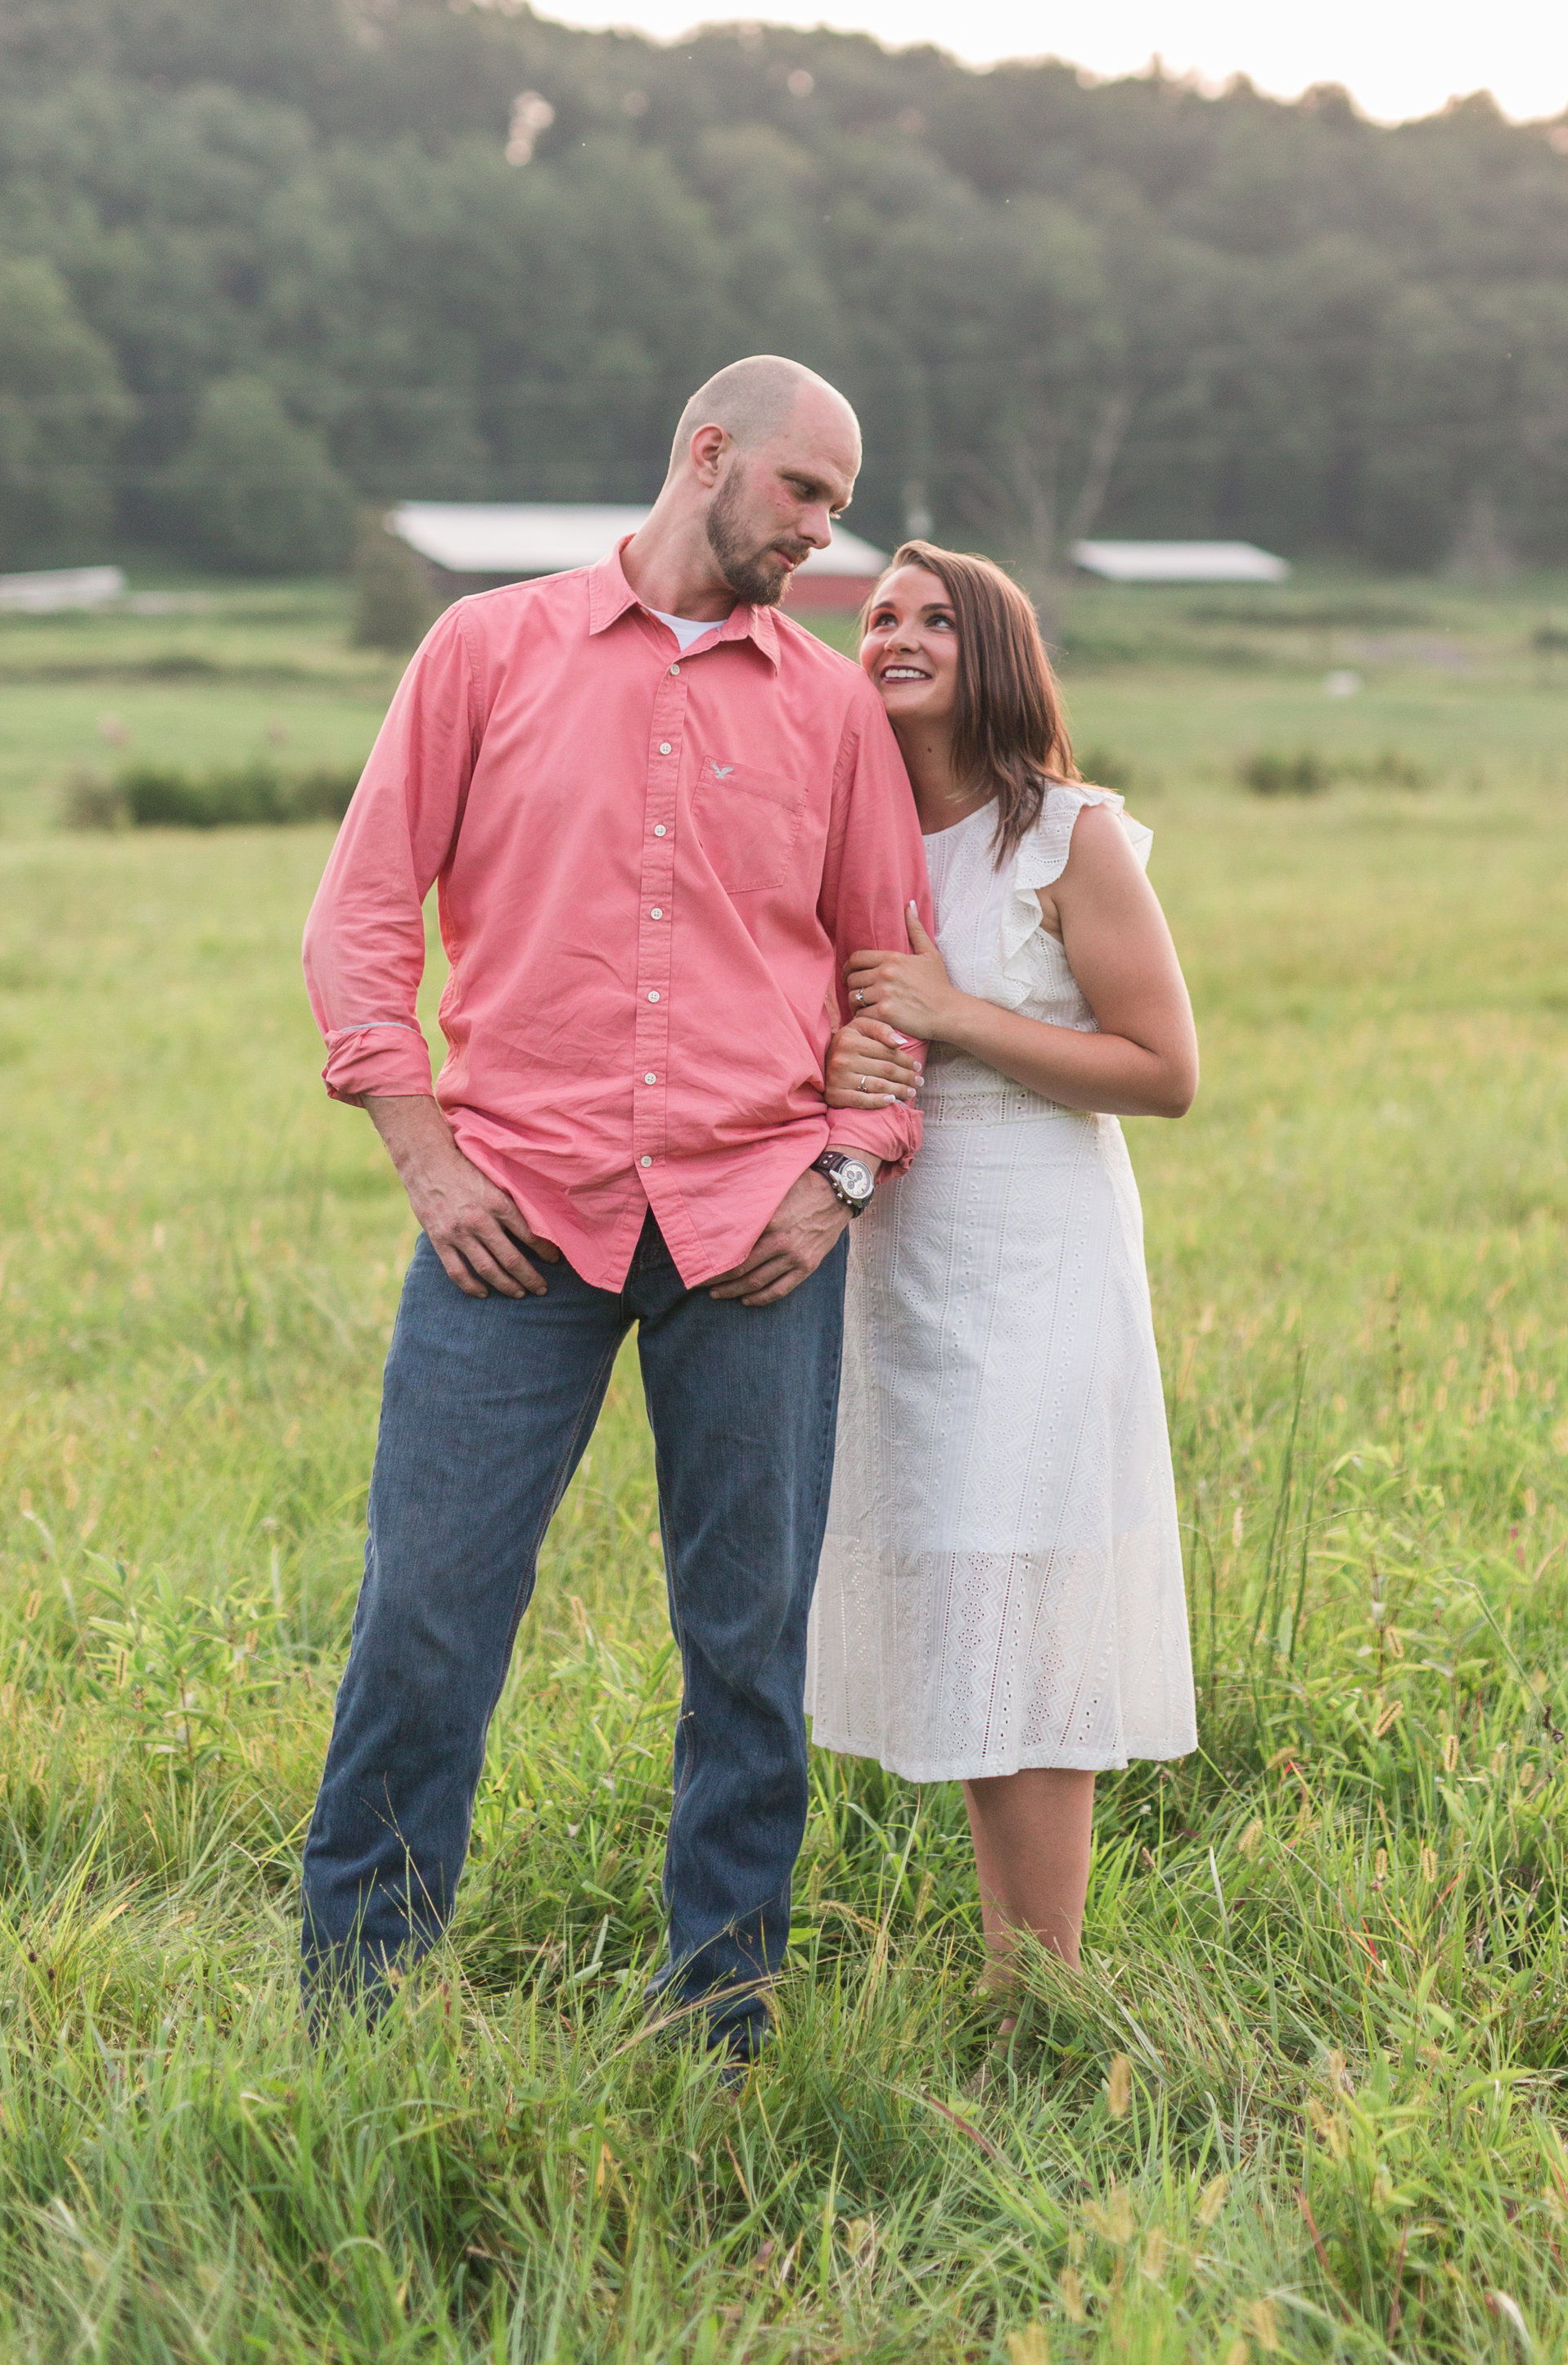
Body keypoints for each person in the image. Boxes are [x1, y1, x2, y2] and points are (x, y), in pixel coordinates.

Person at [299, 356, 928, 2054]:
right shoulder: (484, 652)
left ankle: (721, 2019)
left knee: (745, 1647)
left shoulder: (829, 709)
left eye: (839, 506)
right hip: (513, 1220)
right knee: (425, 1618)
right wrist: (426, 1157)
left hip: (754, 1234)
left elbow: (888, 970)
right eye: (804, 493)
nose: (824, 533)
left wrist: (846, 1172)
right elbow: (358, 918)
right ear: (705, 455)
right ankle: (356, 2010)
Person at [804, 542, 1198, 1992]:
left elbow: (1161, 1069)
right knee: (957, 1586)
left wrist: (952, 1017)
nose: (894, 634)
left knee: (1021, 1595)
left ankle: (1038, 1981)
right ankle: (1007, 1961)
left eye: (932, 619)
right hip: (891, 1253)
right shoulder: (849, 834)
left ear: (996, 652)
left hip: (1033, 1256)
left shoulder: (1064, 835)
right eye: (877, 617)